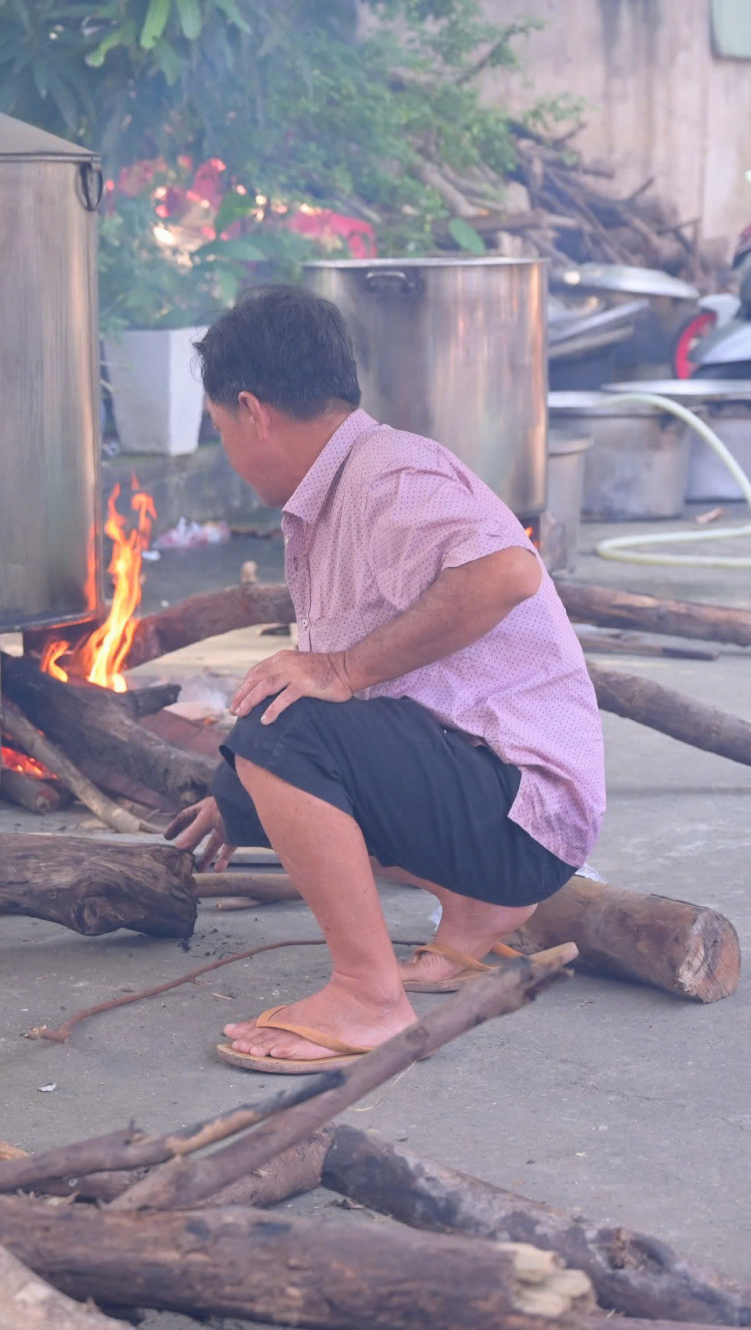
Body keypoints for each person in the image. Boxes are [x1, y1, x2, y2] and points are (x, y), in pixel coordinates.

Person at [167, 286, 604, 1074]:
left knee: (279, 732)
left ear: (252, 411)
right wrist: (243, 788)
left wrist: (338, 669)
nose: (229, 448)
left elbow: (506, 573)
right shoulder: (340, 487)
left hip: (523, 811)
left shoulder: (388, 476)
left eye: (221, 428)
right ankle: (475, 912)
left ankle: (368, 998)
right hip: (499, 815)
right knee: (247, 772)